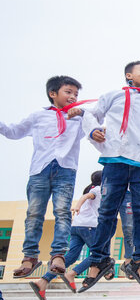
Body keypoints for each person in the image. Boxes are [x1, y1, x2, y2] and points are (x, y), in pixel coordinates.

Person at [78, 60, 140, 292]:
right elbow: (89, 114)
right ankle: (98, 259)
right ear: (129, 75)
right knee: (107, 212)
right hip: (115, 160)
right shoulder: (113, 95)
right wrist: (93, 131)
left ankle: (138, 261)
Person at [1, 76, 89, 279]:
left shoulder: (78, 118)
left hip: (65, 170)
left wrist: (84, 114)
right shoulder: (38, 116)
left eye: (76, 94)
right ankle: (30, 257)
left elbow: (99, 124)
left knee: (62, 212)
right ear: (53, 93)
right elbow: (14, 132)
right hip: (40, 170)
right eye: (68, 92)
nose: (73, 96)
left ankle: (58, 255)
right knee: (34, 214)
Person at [28, 171, 111, 300]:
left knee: (70, 258)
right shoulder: (99, 189)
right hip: (89, 227)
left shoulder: (91, 188)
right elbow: (86, 197)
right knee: (99, 254)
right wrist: (77, 206)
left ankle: (43, 282)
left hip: (76, 226)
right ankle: (72, 273)